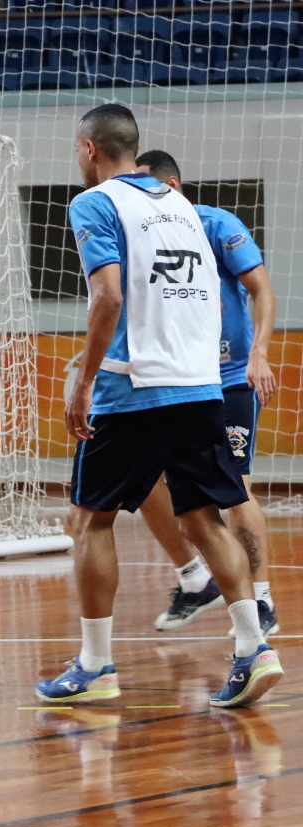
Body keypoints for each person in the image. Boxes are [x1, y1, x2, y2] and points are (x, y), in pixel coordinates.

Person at [35, 104, 283, 708]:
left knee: (90, 520)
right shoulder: (187, 210)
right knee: (204, 516)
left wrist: (85, 380)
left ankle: (95, 665)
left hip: (134, 389)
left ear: (90, 149)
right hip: (201, 387)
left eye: (76, 150)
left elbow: (109, 295)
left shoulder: (95, 203)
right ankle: (254, 648)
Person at [131, 150, 280, 638]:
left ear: (171, 185)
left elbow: (262, 289)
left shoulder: (216, 224)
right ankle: (195, 579)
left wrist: (258, 353)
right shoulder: (139, 233)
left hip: (230, 375)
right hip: (173, 378)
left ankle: (259, 601)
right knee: (143, 479)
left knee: (234, 489)